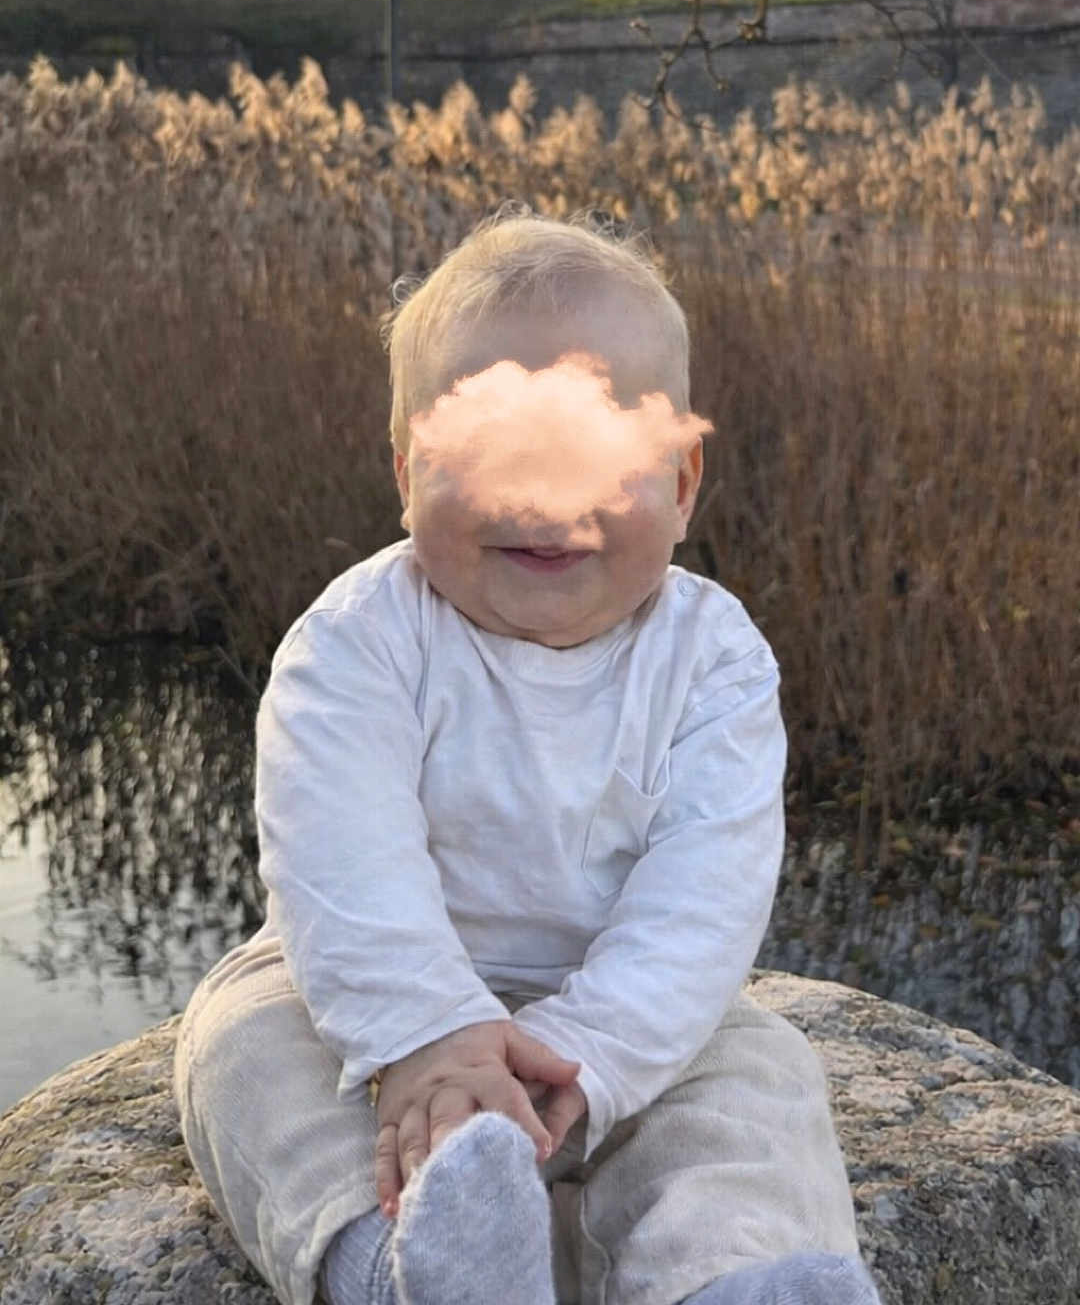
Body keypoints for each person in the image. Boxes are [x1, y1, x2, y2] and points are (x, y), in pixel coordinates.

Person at [174, 203, 883, 1305]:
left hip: (624, 1016)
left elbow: (706, 898)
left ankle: (731, 1279)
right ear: (408, 470)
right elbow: (343, 859)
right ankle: (411, 1269)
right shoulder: (357, 640)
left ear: (684, 482)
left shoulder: (714, 659)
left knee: (758, 1080)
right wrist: (430, 1040)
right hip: (370, 996)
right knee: (240, 1050)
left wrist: (583, 1054)